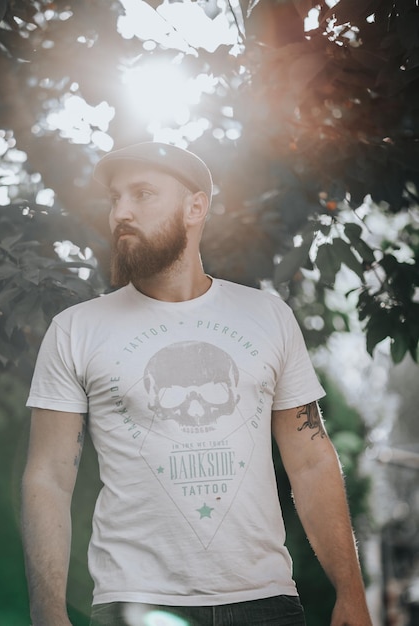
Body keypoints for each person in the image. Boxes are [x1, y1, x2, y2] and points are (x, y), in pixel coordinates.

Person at [21, 142, 373, 626]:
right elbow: (48, 479)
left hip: (266, 603)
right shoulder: (76, 330)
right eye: (115, 198)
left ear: (195, 207)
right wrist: (47, 612)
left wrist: (351, 594)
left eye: (142, 194)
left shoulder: (267, 316)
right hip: (134, 603)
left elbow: (311, 460)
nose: (121, 211)